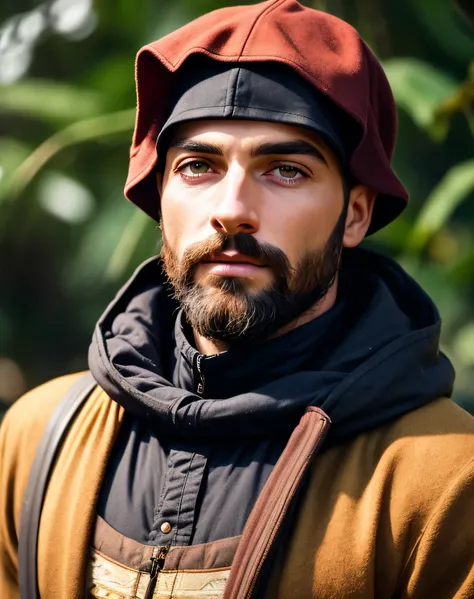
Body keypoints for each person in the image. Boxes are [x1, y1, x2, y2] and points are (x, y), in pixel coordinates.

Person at [1, 1, 473, 597]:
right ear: (159, 196)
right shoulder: (38, 437)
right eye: (198, 166)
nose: (231, 210)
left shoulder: (445, 480)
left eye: (285, 170)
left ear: (354, 214)